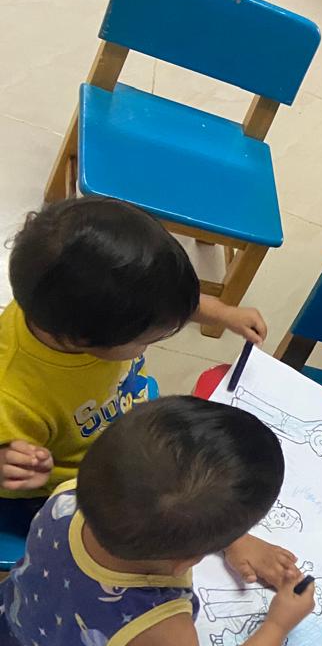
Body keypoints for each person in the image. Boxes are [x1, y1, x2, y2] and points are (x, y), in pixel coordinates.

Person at [0, 397, 314, 646]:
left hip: (13, 642)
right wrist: (277, 624)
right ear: (186, 561)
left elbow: (160, 507)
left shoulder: (69, 497)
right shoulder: (154, 621)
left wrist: (232, 540)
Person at [0, 197, 267, 499]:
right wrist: (9, 464)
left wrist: (223, 313)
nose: (147, 347)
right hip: (80, 481)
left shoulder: (71, 307)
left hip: (128, 415)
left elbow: (161, 303)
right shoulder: (12, 394)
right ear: (85, 340)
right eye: (147, 340)